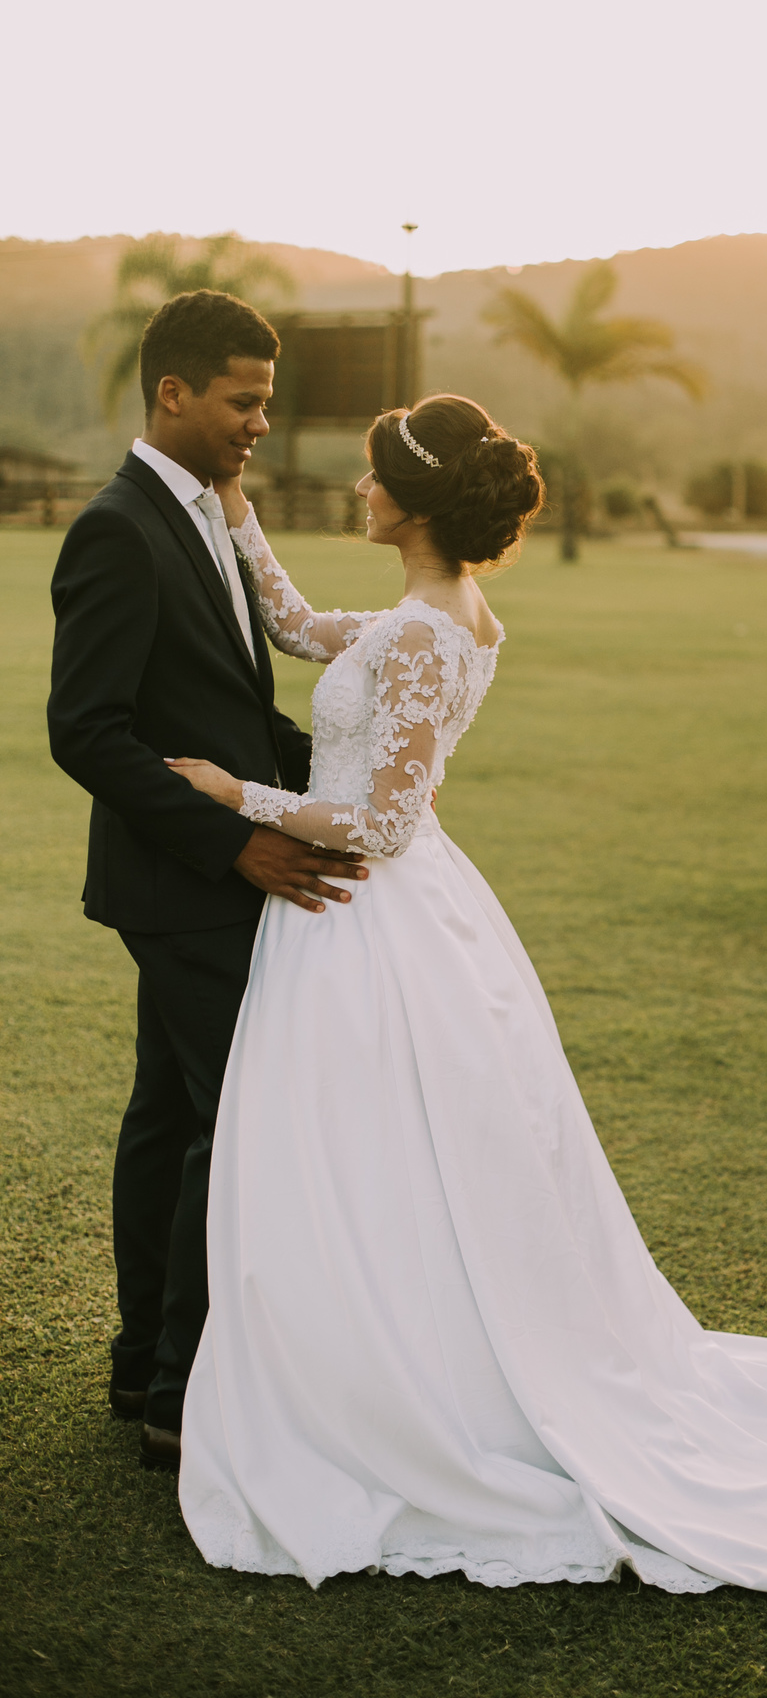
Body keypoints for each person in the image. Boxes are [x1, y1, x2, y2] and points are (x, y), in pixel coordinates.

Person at [167, 392, 767, 1606]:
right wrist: (236, 511)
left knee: (370, 1154)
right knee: (383, 1159)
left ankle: (413, 1387)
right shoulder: (428, 617)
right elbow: (292, 622)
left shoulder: (428, 634)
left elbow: (380, 823)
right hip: (397, 918)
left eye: (376, 476)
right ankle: (371, 1357)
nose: (361, 489)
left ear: (414, 503)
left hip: (369, 919)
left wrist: (237, 797)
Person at [47, 292, 368, 1472]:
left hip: (202, 872)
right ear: (173, 393)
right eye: (243, 402)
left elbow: (226, 708)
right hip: (183, 881)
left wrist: (342, 785)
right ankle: (184, 1404)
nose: (260, 425)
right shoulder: (118, 529)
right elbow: (87, 730)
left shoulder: (209, 515)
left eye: (267, 403)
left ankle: (144, 1366)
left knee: (168, 1120)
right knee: (233, 1127)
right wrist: (235, 844)